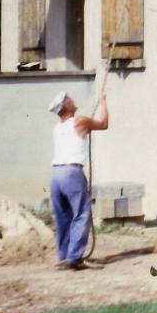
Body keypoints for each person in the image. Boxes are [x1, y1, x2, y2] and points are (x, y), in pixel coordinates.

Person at [48, 90, 109, 269]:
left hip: (56, 174)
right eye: (71, 100)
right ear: (67, 105)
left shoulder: (57, 128)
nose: (74, 101)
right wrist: (103, 102)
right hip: (72, 173)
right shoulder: (80, 121)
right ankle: (74, 257)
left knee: (63, 217)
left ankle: (63, 256)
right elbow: (104, 124)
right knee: (82, 213)